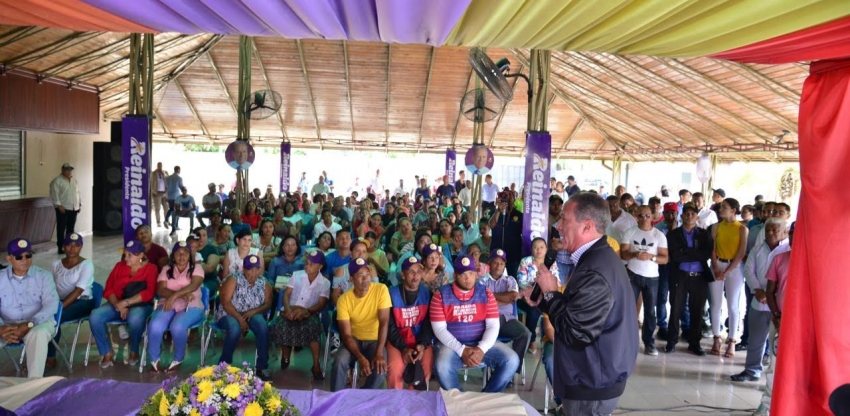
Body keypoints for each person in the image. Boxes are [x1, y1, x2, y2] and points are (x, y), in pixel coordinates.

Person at [530, 192, 638, 414]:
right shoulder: (595, 258)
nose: (558, 226)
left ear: (587, 226)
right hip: (592, 374)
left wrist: (551, 293)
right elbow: (576, 309)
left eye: (564, 220)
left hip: (592, 383)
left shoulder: (595, 269)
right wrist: (545, 299)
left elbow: (574, 332)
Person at [431, 255, 519, 392]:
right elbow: (439, 330)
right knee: (442, 366)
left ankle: (486, 398)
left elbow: (493, 325)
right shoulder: (440, 295)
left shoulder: (486, 293)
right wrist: (461, 350)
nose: (468, 278)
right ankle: (459, 402)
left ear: (476, 274)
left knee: (512, 360)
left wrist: (481, 349)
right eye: (463, 274)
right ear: (455, 275)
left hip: (480, 342)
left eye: (471, 273)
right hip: (451, 345)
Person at [731, 218, 788, 382]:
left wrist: (772, 294)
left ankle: (777, 377)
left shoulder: (789, 251)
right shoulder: (757, 249)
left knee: (778, 344)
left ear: (784, 232)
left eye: (775, 230)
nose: (770, 233)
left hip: (779, 304)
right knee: (756, 339)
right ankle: (752, 370)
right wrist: (758, 290)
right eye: (768, 230)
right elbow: (748, 270)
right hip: (759, 300)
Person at [91, 240, 157, 369]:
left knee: (135, 318)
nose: (125, 258)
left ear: (141, 255)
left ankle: (134, 351)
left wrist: (126, 303)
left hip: (140, 305)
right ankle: (106, 352)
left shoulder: (151, 268)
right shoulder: (119, 266)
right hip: (117, 303)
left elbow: (149, 293)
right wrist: (118, 304)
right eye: (125, 254)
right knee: (95, 316)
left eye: (130, 255)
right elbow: (109, 288)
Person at [0, 238, 60, 379]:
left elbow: (51, 305)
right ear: (9, 258)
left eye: (28, 255)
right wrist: (1, 328)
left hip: (37, 323)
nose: (25, 260)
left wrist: (30, 323)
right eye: (19, 257)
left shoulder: (43, 276)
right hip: (7, 325)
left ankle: (34, 385)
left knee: (38, 334)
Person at [331, 258, 391, 391]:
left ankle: (363, 396)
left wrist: (379, 353)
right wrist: (361, 358)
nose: (366, 279)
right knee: (339, 362)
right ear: (351, 279)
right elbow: (346, 336)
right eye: (360, 275)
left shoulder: (381, 290)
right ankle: (335, 399)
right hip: (354, 340)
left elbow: (384, 322)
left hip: (375, 341)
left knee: (381, 369)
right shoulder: (344, 300)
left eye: (367, 274)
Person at [270, 250, 329, 381]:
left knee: (314, 329)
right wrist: (287, 309)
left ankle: (316, 365)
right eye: (307, 263)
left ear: (320, 267)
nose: (307, 266)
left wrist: (306, 312)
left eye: (312, 264)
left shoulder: (325, 283)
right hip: (291, 309)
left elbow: (321, 304)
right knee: (281, 326)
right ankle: (286, 354)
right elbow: (286, 294)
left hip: (309, 312)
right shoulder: (296, 275)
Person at [146, 241, 204, 373]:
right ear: (173, 256)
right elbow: (160, 290)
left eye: (185, 253)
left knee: (177, 326)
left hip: (192, 305)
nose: (182, 257)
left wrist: (173, 296)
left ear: (190, 255)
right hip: (168, 304)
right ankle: (154, 360)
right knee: (155, 324)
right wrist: (178, 296)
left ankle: (178, 359)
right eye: (178, 253)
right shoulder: (166, 269)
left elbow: (193, 286)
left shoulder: (197, 268)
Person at [620, 205, 669, 356]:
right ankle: (626, 342)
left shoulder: (658, 235)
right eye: (641, 215)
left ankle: (649, 342)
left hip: (652, 277)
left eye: (647, 215)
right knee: (628, 309)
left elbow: (665, 259)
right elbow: (623, 254)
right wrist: (634, 254)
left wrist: (651, 257)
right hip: (632, 274)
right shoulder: (630, 232)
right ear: (637, 216)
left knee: (650, 312)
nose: (644, 218)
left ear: (653, 217)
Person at [215, 254, 273, 380]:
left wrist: (254, 312)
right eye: (250, 269)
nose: (253, 272)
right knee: (234, 329)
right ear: (244, 269)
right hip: (229, 312)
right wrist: (240, 319)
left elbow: (268, 303)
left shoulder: (264, 282)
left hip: (251, 313)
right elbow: (225, 302)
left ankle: (262, 367)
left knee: (263, 327)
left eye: (256, 269)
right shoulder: (233, 279)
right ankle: (223, 366)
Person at [665, 202, 712, 355]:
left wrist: (686, 252)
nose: (689, 216)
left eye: (693, 214)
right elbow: (676, 256)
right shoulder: (673, 234)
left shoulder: (704, 234)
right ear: (682, 215)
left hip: (699, 277)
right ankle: (671, 342)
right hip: (680, 276)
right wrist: (694, 253)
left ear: (697, 217)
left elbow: (705, 254)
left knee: (697, 310)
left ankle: (694, 343)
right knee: (676, 309)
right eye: (687, 213)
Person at [480, 249, 531, 378]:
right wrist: (504, 299)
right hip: (488, 320)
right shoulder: (482, 281)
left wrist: (491, 297)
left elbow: (513, 296)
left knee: (525, 334)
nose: (498, 266)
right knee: (491, 329)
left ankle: (511, 372)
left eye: (501, 264)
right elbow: (483, 302)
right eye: (495, 263)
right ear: (490, 264)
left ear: (505, 265)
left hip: (508, 320)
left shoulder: (510, 280)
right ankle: (494, 368)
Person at [385, 256, 434, 390]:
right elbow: (389, 327)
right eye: (411, 272)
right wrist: (403, 348)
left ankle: (414, 404)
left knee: (425, 369)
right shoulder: (390, 294)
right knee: (395, 370)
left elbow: (429, 324)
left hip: (420, 341)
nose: (415, 275)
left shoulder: (428, 293)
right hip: (398, 341)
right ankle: (396, 404)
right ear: (403, 274)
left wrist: (422, 345)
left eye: (418, 271)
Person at [47, 233, 94, 370]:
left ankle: (50, 356)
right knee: (40, 315)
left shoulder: (86, 264)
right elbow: (49, 286)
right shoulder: (56, 265)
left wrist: (59, 307)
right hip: (60, 301)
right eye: (69, 245)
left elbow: (79, 290)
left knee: (54, 318)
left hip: (82, 302)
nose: (72, 249)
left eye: (77, 245)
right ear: (63, 246)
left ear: (81, 247)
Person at [709, 198, 748, 357]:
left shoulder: (742, 229)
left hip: (735, 267)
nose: (721, 210)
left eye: (724, 207)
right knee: (715, 304)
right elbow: (712, 249)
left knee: (733, 305)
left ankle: (732, 340)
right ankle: (716, 337)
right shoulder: (716, 227)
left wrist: (727, 271)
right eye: (720, 207)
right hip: (717, 264)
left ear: (734, 210)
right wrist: (717, 267)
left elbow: (741, 253)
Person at [517, 238, 560, 352]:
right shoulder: (525, 261)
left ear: (546, 249)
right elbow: (522, 282)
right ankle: (531, 340)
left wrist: (544, 291)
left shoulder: (552, 263)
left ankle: (553, 338)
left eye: (541, 247)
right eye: (535, 247)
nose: (538, 250)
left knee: (555, 306)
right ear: (531, 249)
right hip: (527, 297)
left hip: (545, 296)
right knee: (534, 308)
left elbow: (557, 281)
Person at [49, 163, 82, 254]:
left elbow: (78, 193)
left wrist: (79, 204)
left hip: (73, 208)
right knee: (61, 228)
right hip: (63, 209)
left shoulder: (74, 181)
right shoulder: (57, 181)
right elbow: (54, 194)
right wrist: (58, 205)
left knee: (71, 228)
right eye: (67, 169)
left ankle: (70, 246)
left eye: (70, 170)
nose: (69, 171)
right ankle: (61, 247)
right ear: (62, 170)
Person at [490, 190, 523, 277]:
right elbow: (491, 225)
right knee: (495, 278)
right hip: (496, 253)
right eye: (503, 199)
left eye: (508, 199)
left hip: (513, 254)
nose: (506, 201)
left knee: (513, 278)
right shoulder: (494, 212)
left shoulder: (519, 215)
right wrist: (498, 211)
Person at [150, 163, 169, 228]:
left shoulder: (165, 172)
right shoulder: (153, 173)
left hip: (164, 193)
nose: (160, 167)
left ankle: (166, 220)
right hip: (157, 193)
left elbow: (167, 182)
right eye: (159, 166)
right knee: (157, 208)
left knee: (166, 207)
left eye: (161, 166)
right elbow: (151, 183)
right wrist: (152, 192)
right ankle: (158, 221)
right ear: (157, 166)